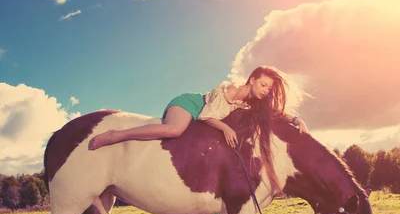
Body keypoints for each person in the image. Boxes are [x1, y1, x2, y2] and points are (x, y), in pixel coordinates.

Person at [88, 66, 308, 151]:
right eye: (263, 85)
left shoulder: (249, 103)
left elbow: (274, 113)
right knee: (174, 130)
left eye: (269, 88)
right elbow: (206, 115)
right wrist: (225, 128)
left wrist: (295, 120)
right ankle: (116, 135)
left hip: (203, 113)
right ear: (252, 80)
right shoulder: (231, 91)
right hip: (191, 104)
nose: (266, 91)